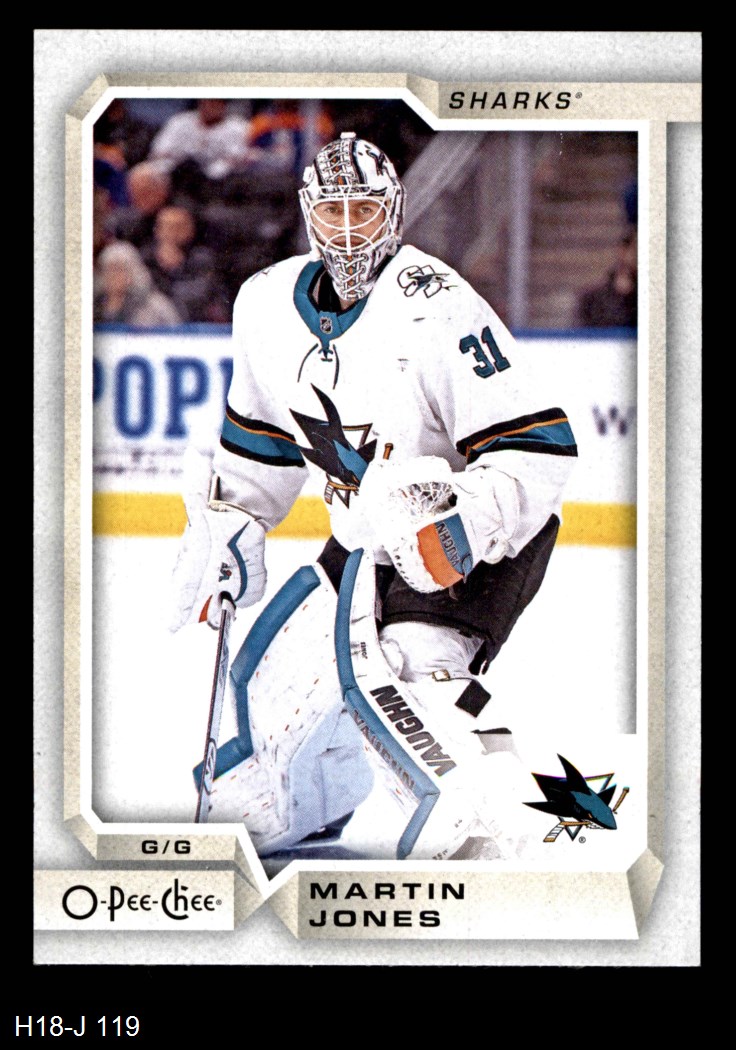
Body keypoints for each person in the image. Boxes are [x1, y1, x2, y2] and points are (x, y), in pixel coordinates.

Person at [170, 133, 577, 862]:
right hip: (365, 538)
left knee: (411, 669)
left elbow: (538, 447)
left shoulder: (437, 303)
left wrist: (458, 527)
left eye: (365, 209)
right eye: (334, 211)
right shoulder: (265, 304)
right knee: (276, 695)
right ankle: (307, 806)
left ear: (394, 210)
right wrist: (235, 518)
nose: (350, 229)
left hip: (472, 537)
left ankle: (497, 821)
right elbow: (260, 439)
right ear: (309, 213)